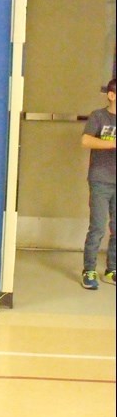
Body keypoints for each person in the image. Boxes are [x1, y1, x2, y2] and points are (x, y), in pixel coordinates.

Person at [80, 77, 116, 290]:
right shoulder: (98, 116)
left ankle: (112, 269)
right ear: (111, 95)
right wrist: (112, 144)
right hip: (101, 180)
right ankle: (89, 270)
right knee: (97, 227)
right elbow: (85, 140)